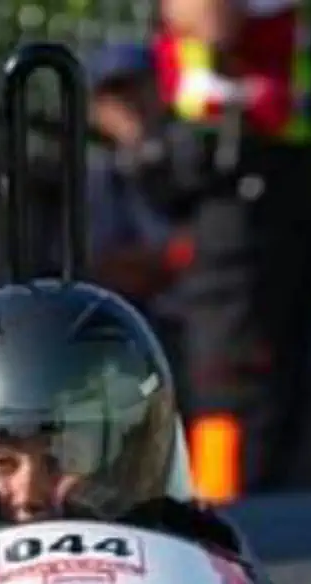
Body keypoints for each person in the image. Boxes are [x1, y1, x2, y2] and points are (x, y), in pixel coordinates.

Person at [147, 0, 311, 495]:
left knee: (290, 369)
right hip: (237, 176)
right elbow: (212, 26)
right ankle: (215, 508)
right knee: (229, 362)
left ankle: (267, 506)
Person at [0, 280, 186, 551]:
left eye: (62, 459)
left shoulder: (189, 571)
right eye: (2, 461)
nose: (29, 496)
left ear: (125, 462)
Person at [84, 39, 193, 389]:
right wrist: (179, 258)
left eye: (139, 89)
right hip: (133, 334)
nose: (130, 106)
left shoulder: (191, 161)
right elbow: (106, 268)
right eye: (115, 94)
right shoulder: (102, 175)